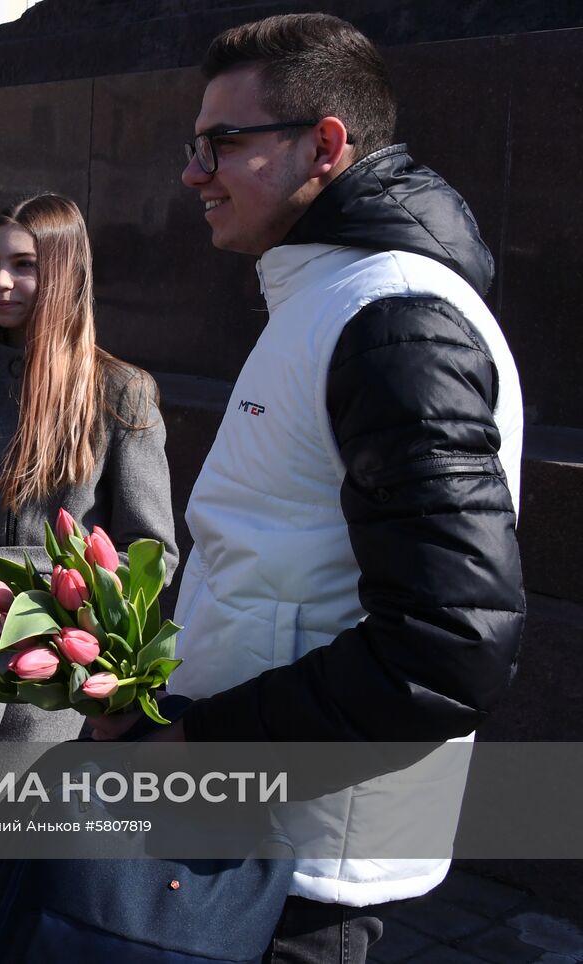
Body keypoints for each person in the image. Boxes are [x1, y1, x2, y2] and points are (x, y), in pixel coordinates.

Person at [162, 13, 525, 962]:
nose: (195, 173)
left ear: (325, 146)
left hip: (297, 863)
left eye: (221, 143)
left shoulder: (394, 318)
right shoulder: (331, 296)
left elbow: (448, 649)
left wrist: (197, 746)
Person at [0, 193, 178, 751]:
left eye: (24, 265)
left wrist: (38, 593)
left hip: (54, 689)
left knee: (32, 809)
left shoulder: (119, 394)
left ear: (65, 274)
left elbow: (151, 554)